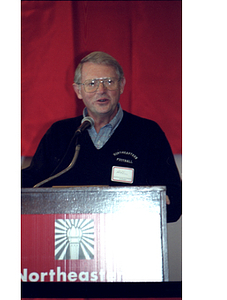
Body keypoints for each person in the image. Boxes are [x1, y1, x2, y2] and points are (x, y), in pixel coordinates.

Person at [21, 51, 181, 222]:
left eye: (109, 82)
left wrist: (154, 204)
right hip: (69, 239)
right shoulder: (59, 133)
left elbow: (175, 202)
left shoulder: (148, 133)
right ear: (78, 90)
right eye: (91, 83)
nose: (101, 90)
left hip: (128, 239)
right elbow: (32, 184)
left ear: (122, 85)